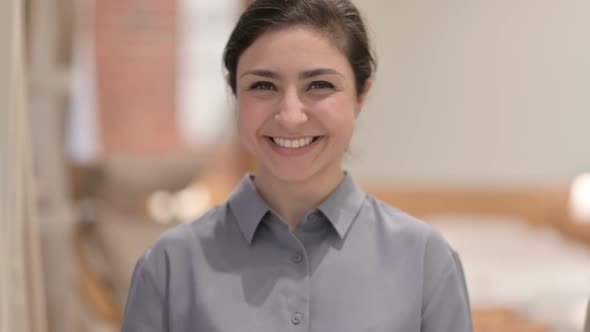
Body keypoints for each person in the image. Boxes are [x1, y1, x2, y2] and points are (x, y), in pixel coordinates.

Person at [120, 0, 474, 331]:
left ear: (361, 94)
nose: (290, 116)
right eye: (263, 85)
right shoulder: (169, 267)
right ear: (234, 93)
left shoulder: (425, 260)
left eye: (319, 85)